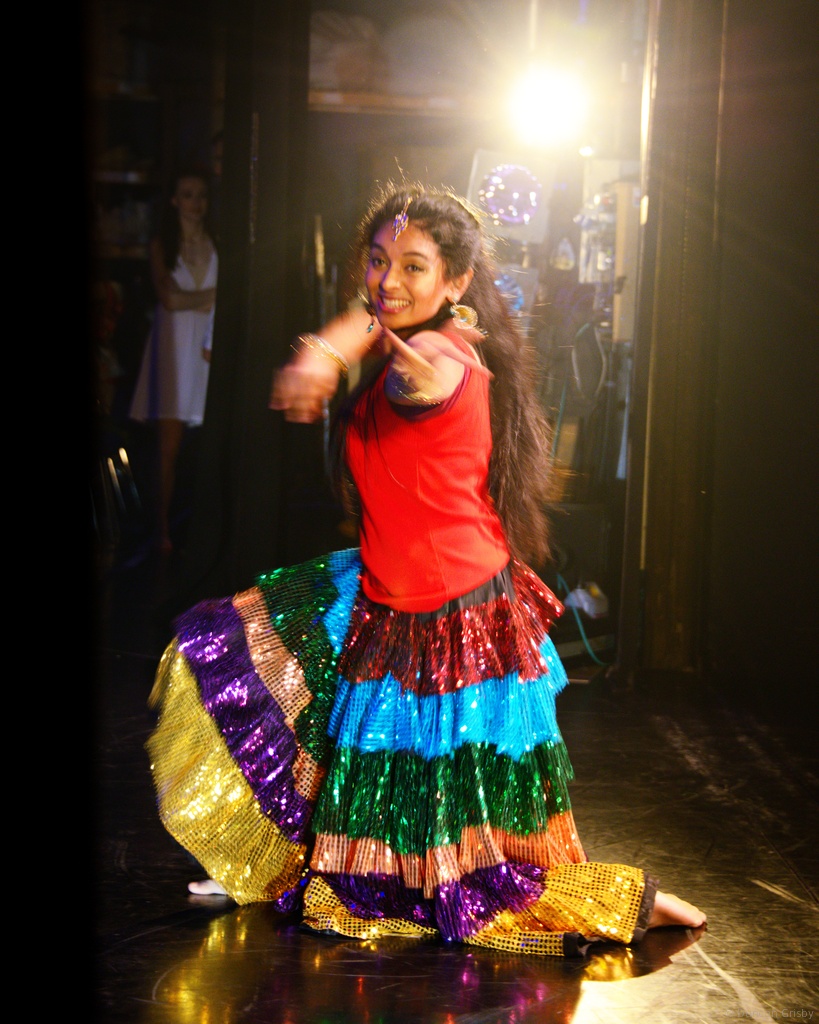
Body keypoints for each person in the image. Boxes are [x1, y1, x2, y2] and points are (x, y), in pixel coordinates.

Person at [146, 184, 705, 957]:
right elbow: (372, 320)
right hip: (382, 590)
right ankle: (273, 862)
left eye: (413, 267)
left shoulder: (439, 357)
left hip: (452, 621)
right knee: (257, 676)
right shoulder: (415, 330)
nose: (387, 281)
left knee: (466, 861)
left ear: (456, 283)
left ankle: (626, 901)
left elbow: (418, 371)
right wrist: (336, 345)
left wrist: (328, 355)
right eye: (378, 261)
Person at [129, 168, 218, 554]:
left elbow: (186, 298)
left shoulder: (217, 243)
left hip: (206, 346)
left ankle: (203, 528)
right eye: (187, 194)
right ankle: (161, 529)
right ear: (174, 200)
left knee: (209, 443)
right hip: (173, 348)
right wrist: (215, 295)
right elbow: (169, 299)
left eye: (200, 194)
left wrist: (197, 300)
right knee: (169, 445)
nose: (195, 202)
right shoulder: (162, 244)